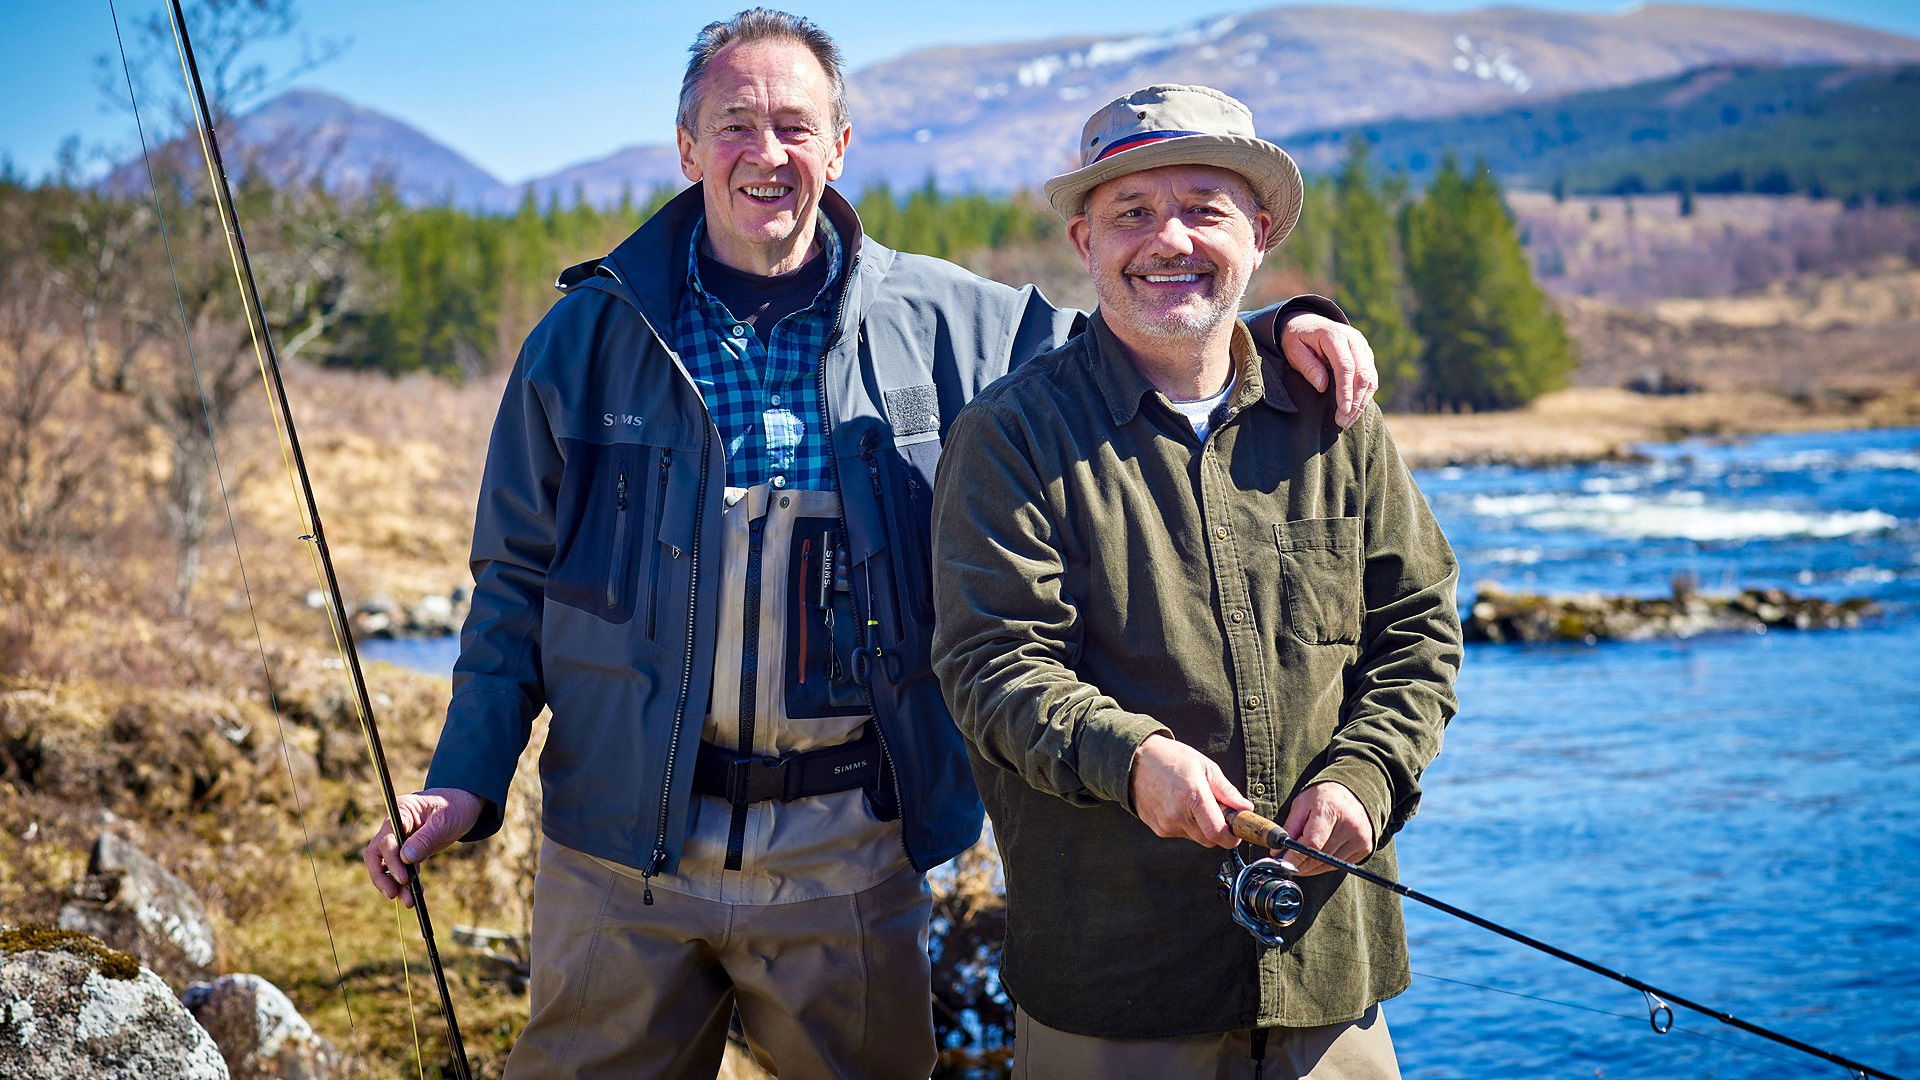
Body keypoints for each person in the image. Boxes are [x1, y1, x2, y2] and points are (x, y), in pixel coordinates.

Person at [361, 10, 1381, 1076]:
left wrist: (1280, 328)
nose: (767, 154)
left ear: (840, 145)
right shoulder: (584, 338)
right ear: (687, 148)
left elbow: (1149, 333)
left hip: (850, 861)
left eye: (796, 127)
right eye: (736, 125)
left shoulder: (954, 320)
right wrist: (465, 777)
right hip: (615, 859)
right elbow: (513, 581)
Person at [932, 83, 1463, 1078]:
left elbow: (1418, 628)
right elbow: (990, 667)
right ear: (1085, 243)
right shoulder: (1007, 438)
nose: (1168, 240)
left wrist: (1368, 776)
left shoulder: (1334, 417)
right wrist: (1131, 759)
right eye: (1131, 212)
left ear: (1258, 234)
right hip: (1118, 990)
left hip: (1329, 978)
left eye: (1203, 209)